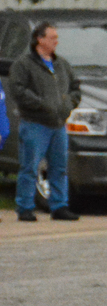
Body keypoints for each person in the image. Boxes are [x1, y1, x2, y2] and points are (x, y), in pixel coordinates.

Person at [8, 22, 81, 221]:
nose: (56, 41)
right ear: (39, 39)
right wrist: (41, 104)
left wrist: (69, 104)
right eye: (52, 37)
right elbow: (18, 90)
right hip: (34, 123)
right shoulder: (23, 64)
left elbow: (75, 88)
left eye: (56, 37)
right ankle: (25, 207)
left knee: (59, 168)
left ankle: (59, 206)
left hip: (58, 125)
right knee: (29, 167)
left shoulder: (62, 64)